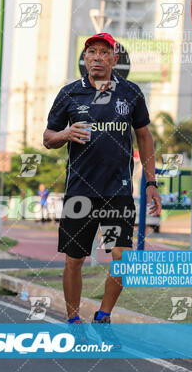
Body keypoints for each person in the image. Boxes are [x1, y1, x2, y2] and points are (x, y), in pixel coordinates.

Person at [43, 33, 162, 345]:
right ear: (84, 58)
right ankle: (73, 320)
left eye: (103, 52)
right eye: (91, 52)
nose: (96, 57)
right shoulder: (70, 94)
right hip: (79, 192)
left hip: (117, 192)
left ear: (113, 59)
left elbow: (144, 137)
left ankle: (104, 316)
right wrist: (66, 133)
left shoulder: (131, 94)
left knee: (121, 257)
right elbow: (47, 138)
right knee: (74, 260)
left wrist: (151, 182)